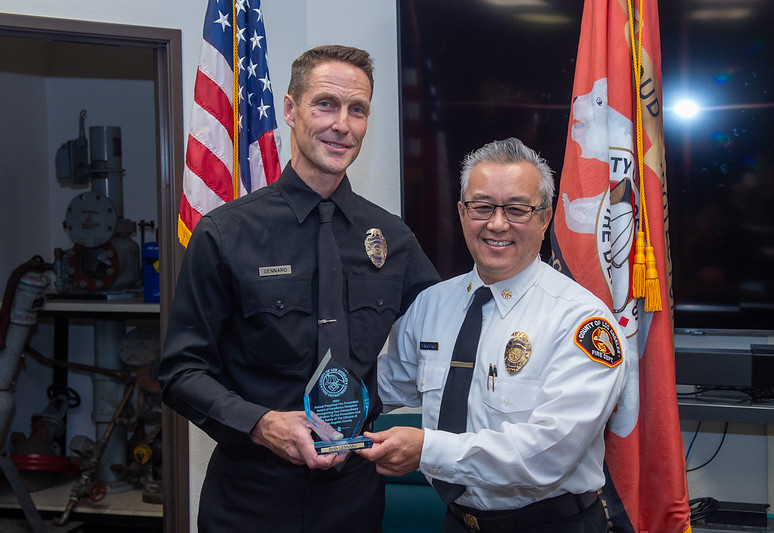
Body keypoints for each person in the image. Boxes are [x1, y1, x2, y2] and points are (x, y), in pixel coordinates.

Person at [158, 45, 439, 532]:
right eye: (326, 104)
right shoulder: (225, 233)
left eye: (358, 110)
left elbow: (450, 333)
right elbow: (181, 371)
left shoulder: (392, 239)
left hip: (354, 497)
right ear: (289, 110)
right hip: (250, 497)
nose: (342, 125)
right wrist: (260, 423)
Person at [357, 137, 630, 533]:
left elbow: (549, 454)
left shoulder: (581, 321)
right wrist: (296, 407)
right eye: (482, 207)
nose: (497, 223)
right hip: (458, 523)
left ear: (545, 217)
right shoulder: (431, 305)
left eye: (517, 209)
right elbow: (380, 387)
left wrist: (428, 449)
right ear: (462, 213)